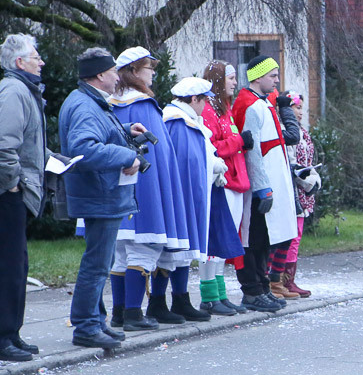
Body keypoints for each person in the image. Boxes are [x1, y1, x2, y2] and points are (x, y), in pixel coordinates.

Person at [59, 48, 143, 349]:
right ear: (99, 76)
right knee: (97, 263)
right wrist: (127, 154)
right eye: (112, 71)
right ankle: (85, 326)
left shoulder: (88, 100)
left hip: (101, 193)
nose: (117, 76)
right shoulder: (85, 106)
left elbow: (97, 136)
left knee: (101, 259)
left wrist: (124, 131)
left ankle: (96, 322)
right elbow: (84, 148)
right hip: (100, 194)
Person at [108, 47, 195, 329]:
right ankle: (133, 313)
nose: (153, 74)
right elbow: (158, 156)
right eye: (149, 68)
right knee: (145, 247)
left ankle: (120, 312)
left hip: (117, 188)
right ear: (133, 71)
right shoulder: (144, 104)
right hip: (144, 188)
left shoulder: (108, 104)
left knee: (121, 251)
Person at [162, 78, 241, 320]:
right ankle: (179, 300)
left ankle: (186, 299)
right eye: (203, 99)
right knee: (177, 252)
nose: (205, 104)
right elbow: (188, 159)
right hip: (186, 194)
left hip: (200, 189)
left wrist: (214, 165)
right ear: (193, 99)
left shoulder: (189, 120)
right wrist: (214, 165)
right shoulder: (177, 121)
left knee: (194, 250)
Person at [232, 55, 299, 312]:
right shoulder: (250, 105)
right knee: (254, 238)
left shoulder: (263, 103)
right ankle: (251, 290)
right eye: (272, 75)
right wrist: (262, 187)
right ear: (258, 77)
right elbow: (253, 151)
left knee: (265, 239)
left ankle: (262, 286)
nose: (276, 80)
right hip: (259, 186)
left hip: (270, 182)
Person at [0, 34, 49, 360]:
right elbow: (4, 145)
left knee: (17, 266)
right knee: (8, 267)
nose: (41, 61)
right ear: (20, 63)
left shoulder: (24, 91)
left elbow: (28, 144)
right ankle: (4, 338)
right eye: (35, 56)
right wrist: (12, 184)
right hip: (7, 194)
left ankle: (11, 334)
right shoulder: (14, 91)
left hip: (13, 192)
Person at [199, 61, 251, 314]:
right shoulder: (209, 111)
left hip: (235, 181)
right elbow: (213, 148)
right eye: (230, 78)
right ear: (217, 80)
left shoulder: (225, 110)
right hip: (223, 181)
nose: (234, 82)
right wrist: (239, 140)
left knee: (225, 241)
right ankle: (209, 295)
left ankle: (220, 294)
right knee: (216, 241)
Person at [283, 91, 318, 298]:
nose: (300, 113)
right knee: (290, 237)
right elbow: (289, 161)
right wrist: (302, 177)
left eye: (301, 108)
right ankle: (282, 280)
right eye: (297, 108)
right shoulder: (286, 130)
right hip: (292, 189)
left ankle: (290, 279)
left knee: (297, 236)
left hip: (304, 190)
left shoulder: (302, 131)